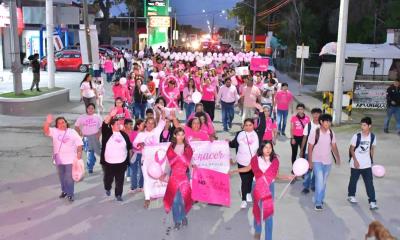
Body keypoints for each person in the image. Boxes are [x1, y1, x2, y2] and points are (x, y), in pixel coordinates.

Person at [229, 141, 294, 240]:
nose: (268, 150)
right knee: (257, 210)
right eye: (265, 147)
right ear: (261, 148)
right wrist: (235, 170)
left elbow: (276, 176)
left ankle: (268, 238)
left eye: (270, 148)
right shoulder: (255, 159)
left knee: (269, 215)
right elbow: (247, 168)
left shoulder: (275, 161)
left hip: (269, 187)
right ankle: (258, 231)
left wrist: (287, 177)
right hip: (257, 186)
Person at [229, 104, 266, 208]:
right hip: (242, 162)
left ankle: (248, 192)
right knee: (245, 181)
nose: (248, 127)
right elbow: (232, 144)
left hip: (255, 163)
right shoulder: (239, 134)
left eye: (250, 125)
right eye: (246, 125)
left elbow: (263, 124)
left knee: (250, 179)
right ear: (243, 126)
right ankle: (244, 199)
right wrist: (224, 143)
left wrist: (261, 111)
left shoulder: (258, 133)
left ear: (253, 125)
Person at [43, 114, 83, 202]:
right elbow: (46, 131)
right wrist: (47, 122)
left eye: (63, 122)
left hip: (70, 159)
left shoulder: (72, 132)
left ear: (66, 123)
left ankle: (70, 193)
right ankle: (64, 191)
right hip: (59, 159)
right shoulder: (54, 131)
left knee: (69, 177)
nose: (62, 124)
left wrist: (79, 153)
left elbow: (79, 143)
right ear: (57, 125)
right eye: (59, 123)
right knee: (62, 177)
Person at [307, 114, 341, 211]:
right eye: (326, 121)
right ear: (321, 122)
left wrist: (338, 157)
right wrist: (310, 161)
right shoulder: (315, 132)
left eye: (329, 122)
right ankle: (318, 202)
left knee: (324, 182)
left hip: (328, 162)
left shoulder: (331, 133)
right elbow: (309, 147)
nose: (328, 123)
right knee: (320, 182)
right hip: (317, 161)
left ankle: (320, 198)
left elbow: (334, 146)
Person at [133, 110, 166, 208]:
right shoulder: (141, 134)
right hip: (146, 160)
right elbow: (135, 144)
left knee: (161, 177)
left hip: (157, 160)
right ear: (145, 124)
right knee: (147, 179)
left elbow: (163, 120)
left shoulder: (157, 131)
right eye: (148, 123)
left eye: (152, 123)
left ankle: (162, 194)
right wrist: (140, 144)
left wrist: (162, 110)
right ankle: (147, 198)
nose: (150, 125)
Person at [162, 127, 194, 230]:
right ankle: (177, 221)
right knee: (175, 201)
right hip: (174, 176)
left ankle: (183, 216)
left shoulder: (188, 148)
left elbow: (191, 163)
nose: (181, 136)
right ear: (175, 135)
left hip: (185, 176)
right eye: (178, 134)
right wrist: (165, 173)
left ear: (184, 136)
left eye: (182, 134)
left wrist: (193, 175)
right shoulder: (171, 147)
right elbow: (168, 162)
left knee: (184, 200)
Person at [100, 109, 133, 201]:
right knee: (108, 178)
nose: (120, 125)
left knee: (120, 179)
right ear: (112, 125)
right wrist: (110, 115)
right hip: (109, 162)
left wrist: (130, 157)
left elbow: (129, 146)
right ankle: (107, 187)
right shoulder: (107, 133)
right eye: (117, 124)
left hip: (121, 162)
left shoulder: (124, 135)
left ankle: (118, 194)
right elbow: (104, 124)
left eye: (120, 124)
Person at [347, 117, 378, 210]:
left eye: (364, 125)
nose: (362, 126)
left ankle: (372, 202)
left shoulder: (372, 136)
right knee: (353, 180)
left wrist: (371, 160)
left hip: (367, 165)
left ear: (369, 126)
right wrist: (355, 161)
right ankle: (351, 195)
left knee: (369, 183)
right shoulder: (356, 136)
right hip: (356, 164)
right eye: (361, 124)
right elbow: (351, 149)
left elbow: (372, 148)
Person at [299, 108, 322, 194]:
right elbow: (304, 138)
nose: (316, 116)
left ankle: (313, 185)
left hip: (319, 153)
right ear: (312, 114)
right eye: (314, 114)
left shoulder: (323, 126)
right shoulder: (308, 125)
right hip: (308, 152)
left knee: (317, 170)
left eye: (318, 114)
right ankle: (306, 186)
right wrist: (301, 150)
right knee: (308, 170)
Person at [74, 103, 102, 174]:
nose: (90, 110)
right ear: (86, 109)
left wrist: (99, 134)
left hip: (95, 138)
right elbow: (76, 126)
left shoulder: (97, 117)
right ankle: (90, 167)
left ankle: (92, 161)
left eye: (92, 108)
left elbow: (101, 127)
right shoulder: (82, 117)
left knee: (97, 153)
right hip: (86, 138)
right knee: (90, 153)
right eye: (89, 108)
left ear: (94, 109)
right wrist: (79, 132)